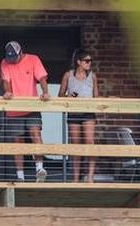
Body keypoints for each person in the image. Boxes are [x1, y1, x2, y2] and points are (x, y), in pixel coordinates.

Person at [0, 41, 50, 182]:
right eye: (9, 57)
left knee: (36, 134)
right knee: (18, 142)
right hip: (14, 109)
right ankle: (20, 177)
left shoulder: (33, 59)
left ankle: (39, 169)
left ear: (20, 52)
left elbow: (42, 77)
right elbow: (5, 80)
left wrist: (45, 92)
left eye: (14, 57)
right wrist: (8, 91)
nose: (12, 60)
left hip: (31, 106)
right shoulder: (5, 62)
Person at [58, 48, 99, 182]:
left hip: (88, 113)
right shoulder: (68, 75)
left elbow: (96, 96)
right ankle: (75, 178)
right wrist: (69, 96)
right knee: (75, 144)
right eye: (86, 61)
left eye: (90, 61)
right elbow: (60, 95)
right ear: (78, 62)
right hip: (74, 113)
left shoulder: (92, 76)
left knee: (89, 142)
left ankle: (90, 178)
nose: (89, 63)